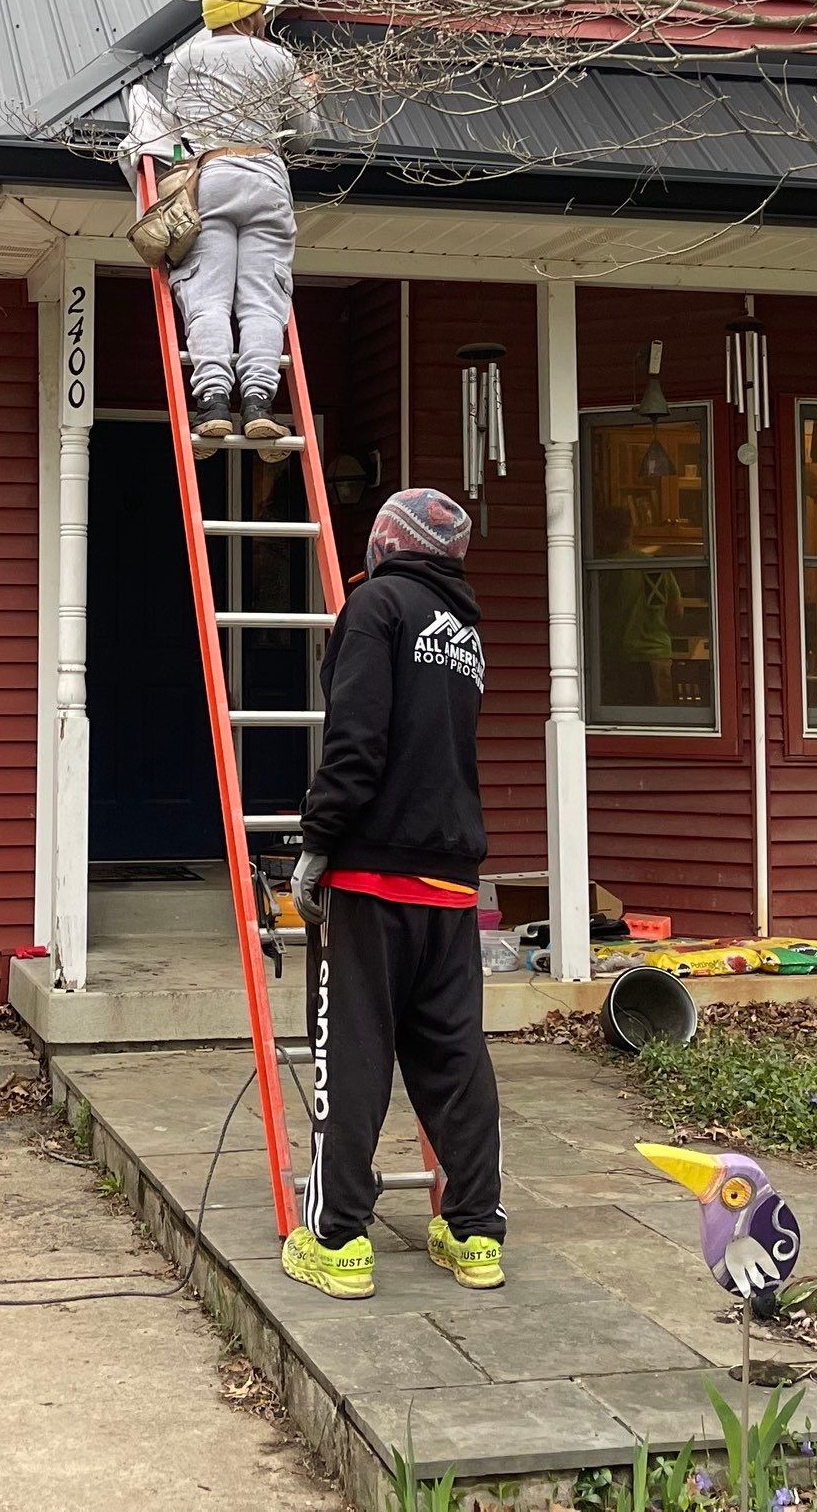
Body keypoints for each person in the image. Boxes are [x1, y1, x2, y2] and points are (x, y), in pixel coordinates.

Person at [281, 487, 504, 1300]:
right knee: (454, 1055)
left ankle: (336, 1240)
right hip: (451, 880)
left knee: (357, 1051)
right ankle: (476, 1233)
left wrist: (316, 844)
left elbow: (356, 741)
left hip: (374, 875)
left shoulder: (375, 608)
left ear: (386, 542)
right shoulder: (465, 631)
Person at [161, 0, 316, 445]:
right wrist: (308, 96)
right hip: (266, 176)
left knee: (207, 296)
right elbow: (304, 133)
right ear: (250, 14)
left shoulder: (183, 59)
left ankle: (212, 403)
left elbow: (177, 130)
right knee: (262, 300)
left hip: (210, 178)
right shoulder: (278, 59)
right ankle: (257, 403)